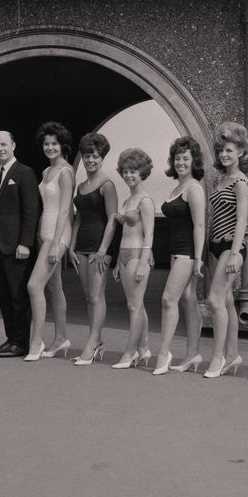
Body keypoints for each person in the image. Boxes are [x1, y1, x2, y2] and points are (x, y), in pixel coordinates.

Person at [0, 130, 40, 358]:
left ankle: (21, 342)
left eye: (4, 144)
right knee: (5, 295)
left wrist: (25, 243)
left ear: (14, 145)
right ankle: (11, 339)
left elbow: (31, 211)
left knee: (18, 296)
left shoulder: (25, 173)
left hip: (17, 246)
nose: (0, 149)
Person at [153, 137, 206, 375]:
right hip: (175, 252)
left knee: (168, 299)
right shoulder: (177, 187)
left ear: (194, 161)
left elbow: (200, 225)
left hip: (187, 253)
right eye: (177, 158)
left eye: (186, 158)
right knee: (188, 301)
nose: (181, 162)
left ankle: (163, 354)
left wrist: (198, 258)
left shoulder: (194, 188)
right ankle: (193, 354)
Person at [203, 122, 248, 378]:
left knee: (214, 300)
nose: (224, 155)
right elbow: (214, 214)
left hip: (232, 246)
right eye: (221, 150)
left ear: (241, 151)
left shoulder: (241, 181)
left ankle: (218, 357)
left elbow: (243, 219)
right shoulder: (218, 178)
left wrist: (234, 253)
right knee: (228, 301)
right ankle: (233, 355)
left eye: (229, 150)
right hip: (214, 245)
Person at [25, 122, 75, 361]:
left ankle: (36, 341)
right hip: (44, 234)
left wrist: (56, 243)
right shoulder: (46, 172)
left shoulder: (66, 172)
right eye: (46, 143)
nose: (50, 147)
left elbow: (65, 211)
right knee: (55, 288)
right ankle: (61, 338)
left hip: (57, 235)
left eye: (54, 143)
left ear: (62, 145)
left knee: (34, 286)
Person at [70, 132, 120, 365]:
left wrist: (103, 249)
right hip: (81, 245)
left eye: (96, 156)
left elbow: (112, 219)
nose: (91, 160)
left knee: (96, 295)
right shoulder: (81, 186)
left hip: (101, 246)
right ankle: (96, 340)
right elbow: (78, 218)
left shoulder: (107, 185)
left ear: (102, 158)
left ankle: (91, 344)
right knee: (88, 298)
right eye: (87, 156)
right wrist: (71, 247)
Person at [111, 149, 156, 369]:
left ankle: (129, 354)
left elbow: (149, 233)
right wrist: (118, 263)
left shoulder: (145, 200)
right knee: (136, 305)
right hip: (124, 254)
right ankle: (144, 348)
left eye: (134, 171)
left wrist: (142, 262)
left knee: (134, 306)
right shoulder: (129, 198)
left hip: (138, 254)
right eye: (126, 171)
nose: (129, 175)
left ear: (142, 172)